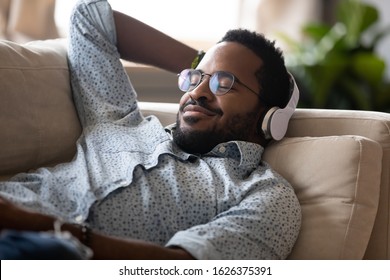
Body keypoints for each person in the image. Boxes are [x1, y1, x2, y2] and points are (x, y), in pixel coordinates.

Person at [0, 0, 301, 259]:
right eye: (195, 79)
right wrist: (203, 61)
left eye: (224, 83)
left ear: (269, 116)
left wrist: (53, 230)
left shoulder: (265, 194)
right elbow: (90, 15)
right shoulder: (118, 118)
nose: (198, 92)